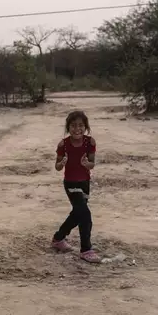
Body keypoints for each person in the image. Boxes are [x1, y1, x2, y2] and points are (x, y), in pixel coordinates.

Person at [51, 110, 100, 263]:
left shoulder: (89, 142)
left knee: (78, 213)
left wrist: (87, 164)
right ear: (68, 127)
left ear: (85, 127)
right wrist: (62, 163)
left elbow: (92, 164)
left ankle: (58, 238)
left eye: (80, 125)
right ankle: (86, 249)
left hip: (85, 182)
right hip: (71, 183)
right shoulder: (63, 144)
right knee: (85, 214)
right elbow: (57, 167)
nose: (77, 129)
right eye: (73, 125)